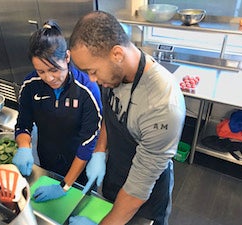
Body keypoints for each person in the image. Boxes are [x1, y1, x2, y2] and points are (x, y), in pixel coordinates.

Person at [68, 11, 186, 225]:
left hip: (145, 199)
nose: (92, 80)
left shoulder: (161, 104)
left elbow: (136, 191)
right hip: (116, 175)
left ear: (117, 54)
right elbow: (111, 114)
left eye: (92, 71)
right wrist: (99, 151)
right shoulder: (114, 74)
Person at [12, 19, 103, 202]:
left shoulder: (86, 89)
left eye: (54, 69)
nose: (49, 78)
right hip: (48, 156)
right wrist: (23, 146)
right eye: (41, 71)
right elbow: (23, 124)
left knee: (77, 204)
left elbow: (88, 140)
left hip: (79, 161)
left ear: (67, 57)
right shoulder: (30, 86)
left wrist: (65, 186)